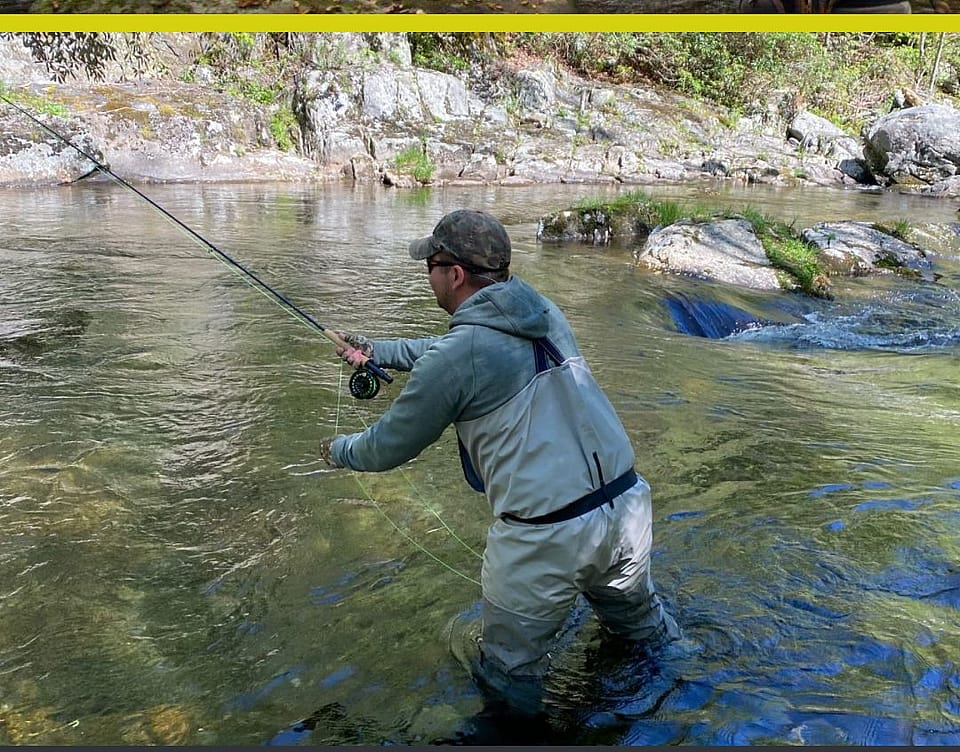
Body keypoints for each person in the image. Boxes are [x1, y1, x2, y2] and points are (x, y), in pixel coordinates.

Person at [319, 209, 679, 718]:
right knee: (644, 636)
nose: (428, 276)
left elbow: (387, 447)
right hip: (628, 509)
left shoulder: (458, 356)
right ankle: (686, 703)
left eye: (430, 266)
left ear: (455, 274)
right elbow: (451, 352)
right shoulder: (543, 312)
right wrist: (377, 350)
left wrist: (337, 451)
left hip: (547, 539)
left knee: (508, 681)